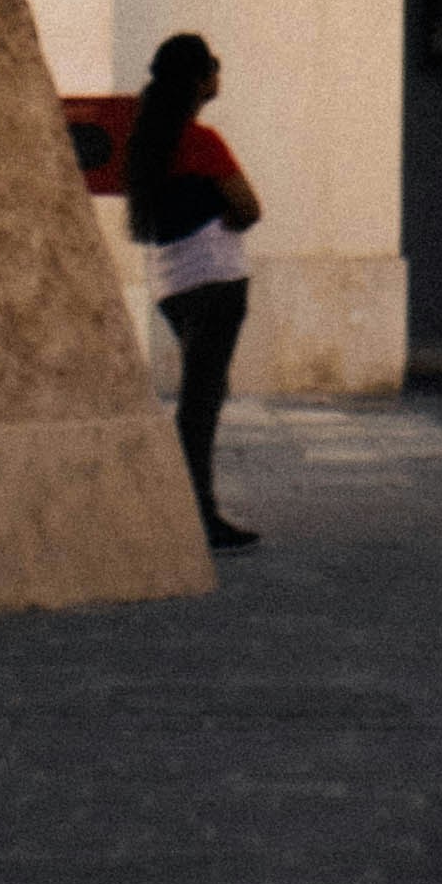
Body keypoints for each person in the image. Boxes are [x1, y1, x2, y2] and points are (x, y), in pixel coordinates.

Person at [123, 31, 261, 550]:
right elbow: (248, 208)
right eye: (214, 67)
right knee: (201, 402)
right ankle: (196, 514)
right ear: (201, 79)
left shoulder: (145, 144)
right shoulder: (203, 142)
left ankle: (190, 508)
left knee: (203, 392)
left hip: (170, 283)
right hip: (216, 279)